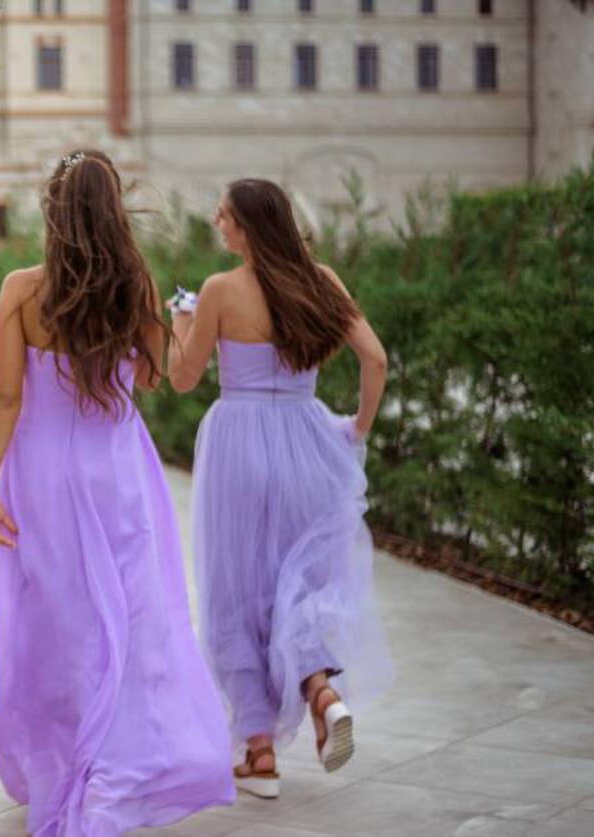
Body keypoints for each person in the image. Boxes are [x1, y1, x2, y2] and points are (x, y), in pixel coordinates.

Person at [0, 149, 234, 835]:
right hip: (116, 469)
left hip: (44, 473)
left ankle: (69, 758)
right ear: (114, 212)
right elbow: (155, 380)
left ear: (53, 213)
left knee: (60, 618)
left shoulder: (20, 290)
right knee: (129, 615)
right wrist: (178, 325)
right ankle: (115, 762)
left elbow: (5, 395)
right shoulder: (136, 287)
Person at [169, 177, 393, 799]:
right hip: (307, 436)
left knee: (236, 590)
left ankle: (259, 751)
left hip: (237, 441)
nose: (216, 219)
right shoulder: (321, 281)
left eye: (224, 214)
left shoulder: (219, 290)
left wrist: (179, 322)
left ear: (247, 226)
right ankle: (322, 689)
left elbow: (184, 377)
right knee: (298, 579)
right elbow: (374, 360)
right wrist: (355, 430)